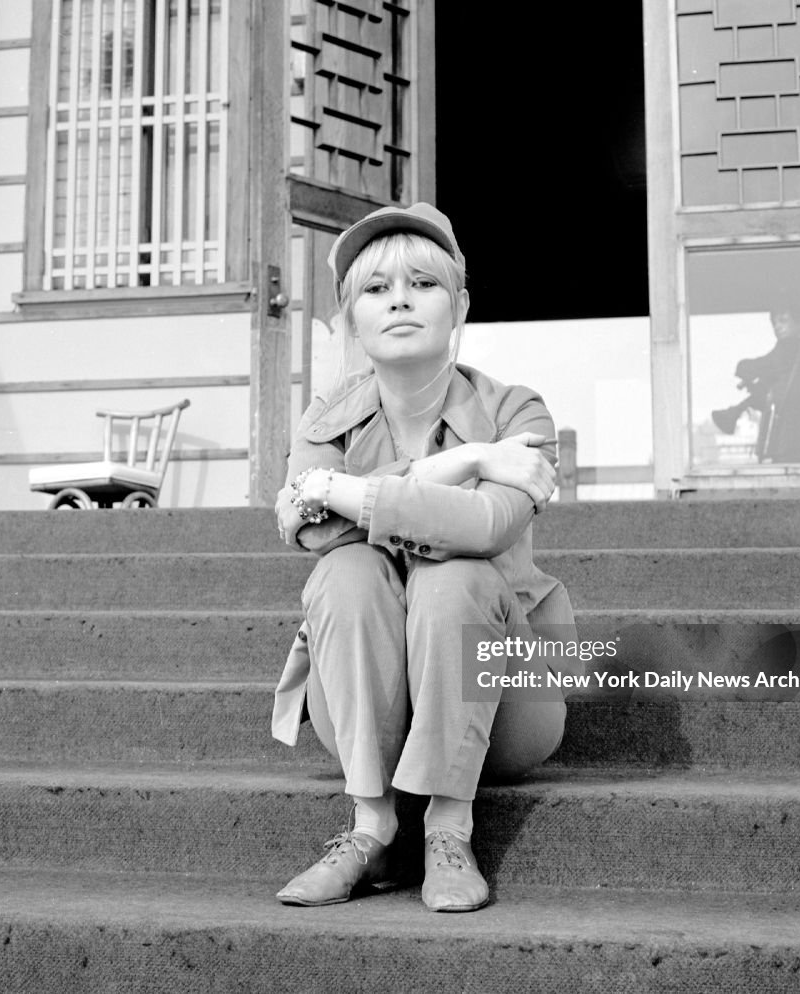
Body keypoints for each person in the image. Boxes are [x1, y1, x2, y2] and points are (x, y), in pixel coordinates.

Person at [271, 202, 579, 913]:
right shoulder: (328, 417)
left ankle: (448, 826)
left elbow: (485, 526)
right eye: (377, 290)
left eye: (423, 284)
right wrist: (466, 462)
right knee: (344, 573)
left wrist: (337, 491)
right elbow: (317, 538)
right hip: (363, 706)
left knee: (458, 574)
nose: (401, 300)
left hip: (501, 705)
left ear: (459, 304)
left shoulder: (516, 412)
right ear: (351, 318)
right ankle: (372, 825)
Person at [711, 308, 800, 463]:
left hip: (797, 450)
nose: (777, 327)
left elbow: (752, 367)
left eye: (783, 320)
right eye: (774, 322)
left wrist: (746, 373)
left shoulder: (790, 350)